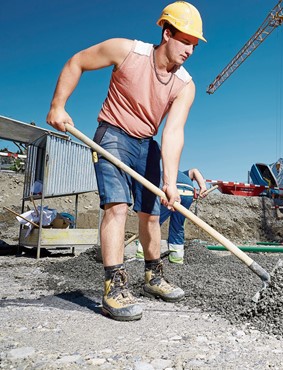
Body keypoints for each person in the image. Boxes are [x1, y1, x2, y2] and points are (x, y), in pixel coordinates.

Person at [46, 1, 207, 321]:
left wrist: (170, 183)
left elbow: (173, 132)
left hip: (146, 145)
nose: (189, 50)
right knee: (117, 206)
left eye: (194, 44)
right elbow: (76, 61)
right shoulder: (126, 50)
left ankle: (153, 275)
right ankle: (114, 286)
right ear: (166, 32)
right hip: (113, 135)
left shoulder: (186, 85)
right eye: (185, 41)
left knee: (151, 214)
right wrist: (58, 105)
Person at [136, 168, 208, 264]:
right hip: (188, 193)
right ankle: (176, 259)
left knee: (153, 222)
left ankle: (142, 254)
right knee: (178, 226)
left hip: (169, 190)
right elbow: (195, 170)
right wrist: (202, 186)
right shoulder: (185, 175)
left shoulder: (163, 173)